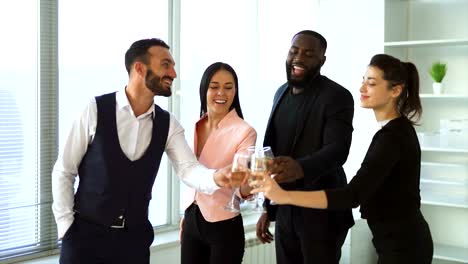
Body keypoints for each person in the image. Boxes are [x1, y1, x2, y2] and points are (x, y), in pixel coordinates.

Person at [51, 38, 242, 264]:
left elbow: (188, 168)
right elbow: (64, 170)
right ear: (139, 68)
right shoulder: (95, 110)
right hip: (84, 241)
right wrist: (66, 229)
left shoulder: (167, 123)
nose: (173, 73)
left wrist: (216, 177)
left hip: (134, 244)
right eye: (165, 65)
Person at [252, 54, 434, 264]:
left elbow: (352, 195)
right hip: (394, 241)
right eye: (363, 80)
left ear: (396, 90)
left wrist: (285, 196)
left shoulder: (393, 137)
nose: (362, 88)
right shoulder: (393, 131)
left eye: (372, 83)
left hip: (405, 247)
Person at [256, 30, 355, 264]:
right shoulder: (280, 92)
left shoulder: (337, 96)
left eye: (309, 54)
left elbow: (337, 150)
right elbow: (271, 152)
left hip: (322, 212)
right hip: (285, 208)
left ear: (322, 60)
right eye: (294, 51)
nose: (299, 58)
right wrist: (267, 208)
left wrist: (299, 167)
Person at [180, 62, 256, 264]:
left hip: (224, 225)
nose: (221, 93)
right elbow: (189, 171)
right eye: (214, 87)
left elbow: (242, 184)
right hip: (191, 219)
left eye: (228, 87)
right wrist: (188, 215)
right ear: (204, 89)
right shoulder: (196, 124)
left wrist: (249, 184)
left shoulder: (245, 131)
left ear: (235, 92)